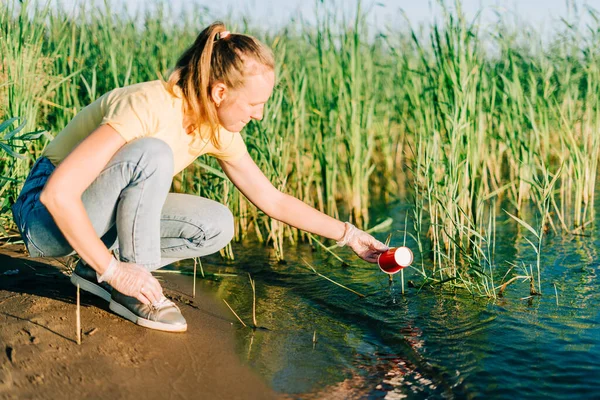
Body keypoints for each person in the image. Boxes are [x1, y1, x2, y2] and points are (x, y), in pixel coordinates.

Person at [10, 22, 389, 333]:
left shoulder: (218, 127)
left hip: (90, 211)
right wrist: (118, 273)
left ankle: (94, 268)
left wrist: (350, 236)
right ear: (220, 91)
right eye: (255, 104)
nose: (260, 115)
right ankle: (132, 289)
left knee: (216, 225)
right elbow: (58, 195)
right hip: (43, 218)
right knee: (153, 152)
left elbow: (272, 200)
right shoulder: (148, 105)